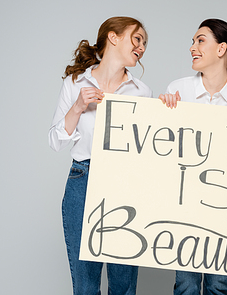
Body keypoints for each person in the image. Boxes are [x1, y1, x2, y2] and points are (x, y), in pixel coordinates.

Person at [48, 16, 152, 294]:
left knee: (123, 284)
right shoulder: (76, 83)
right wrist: (79, 106)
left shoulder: (142, 92)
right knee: (85, 284)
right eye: (137, 38)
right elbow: (55, 140)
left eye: (144, 43)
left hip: (125, 185)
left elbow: (147, 151)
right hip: (83, 179)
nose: (141, 47)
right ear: (113, 37)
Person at [159, 18, 227, 295]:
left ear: (221, 49)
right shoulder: (177, 89)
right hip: (185, 203)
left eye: (200, 40)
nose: (193, 47)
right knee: (186, 284)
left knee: (219, 284)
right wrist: (163, 112)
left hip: (225, 205)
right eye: (193, 41)